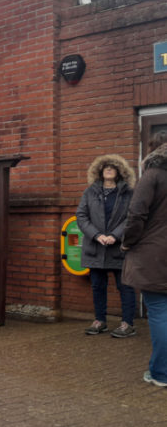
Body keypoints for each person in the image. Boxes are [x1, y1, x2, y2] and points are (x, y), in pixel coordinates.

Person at [121, 132, 167, 387]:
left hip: (155, 253)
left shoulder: (152, 175)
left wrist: (127, 242)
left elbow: (136, 215)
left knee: (159, 311)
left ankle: (161, 373)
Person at [76, 154, 137, 337]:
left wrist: (115, 236)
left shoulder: (128, 193)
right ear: (100, 171)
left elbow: (131, 217)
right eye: (106, 167)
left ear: (120, 172)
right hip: (96, 247)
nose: (109, 169)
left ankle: (127, 323)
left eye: (113, 167)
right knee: (97, 286)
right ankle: (100, 321)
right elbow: (81, 216)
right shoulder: (90, 192)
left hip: (119, 248)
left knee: (125, 286)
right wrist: (97, 235)